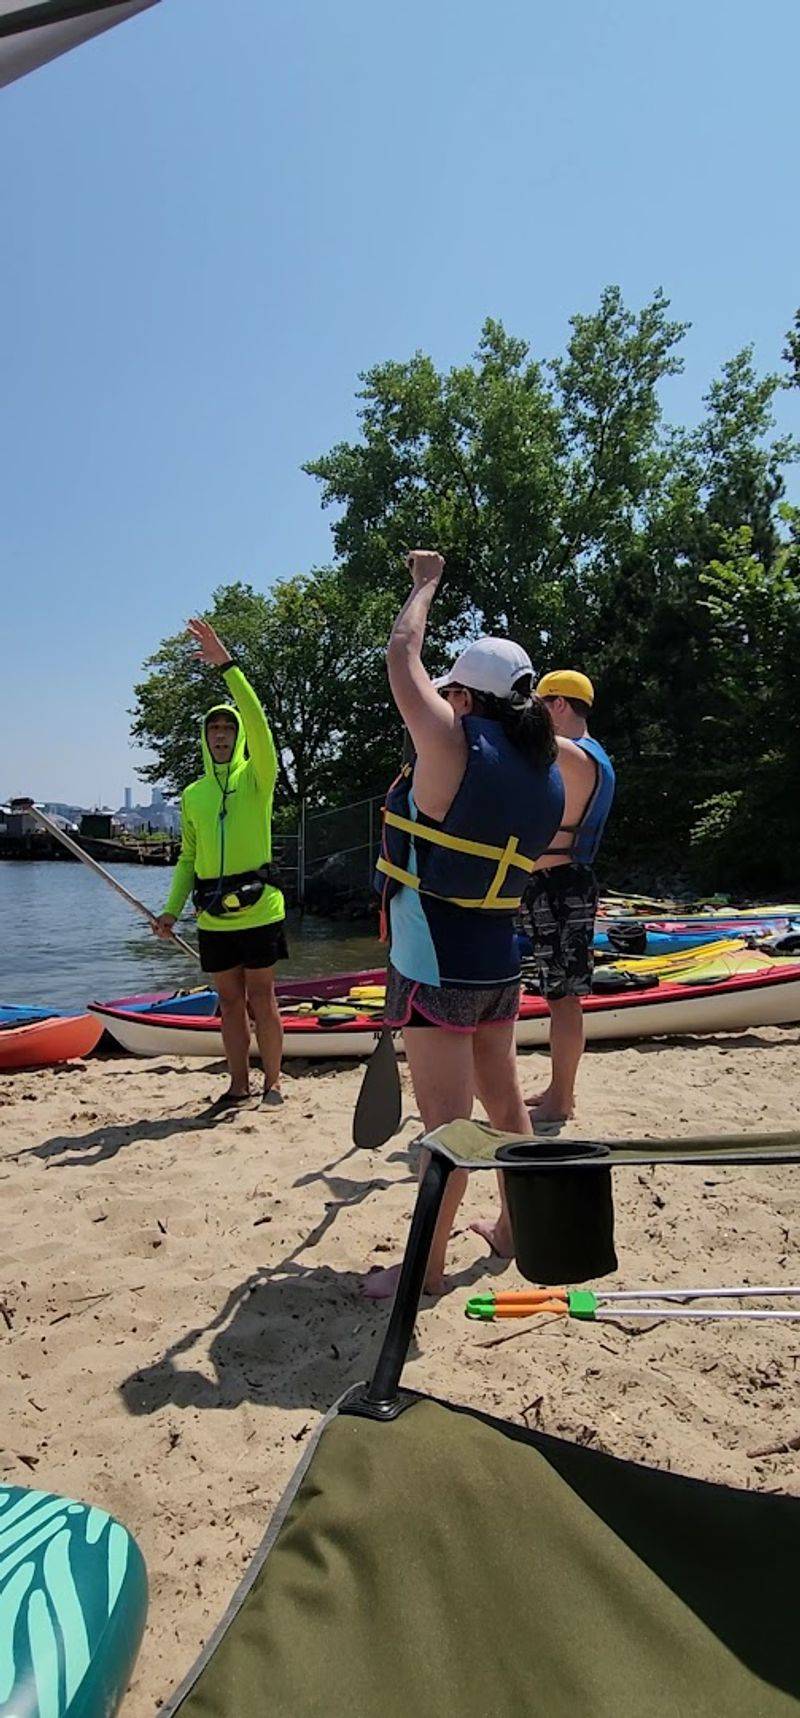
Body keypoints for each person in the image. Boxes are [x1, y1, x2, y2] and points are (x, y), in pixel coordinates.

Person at [363, 551, 565, 1298]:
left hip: (436, 961)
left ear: (465, 697)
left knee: (444, 1130)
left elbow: (399, 651)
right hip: (497, 962)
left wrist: (424, 583)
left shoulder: (449, 742)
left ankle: (427, 1270)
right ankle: (512, 1230)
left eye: (451, 690)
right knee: (505, 1106)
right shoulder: (550, 768)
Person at [153, 618, 287, 1110]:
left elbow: (259, 722)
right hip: (212, 912)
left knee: (262, 999)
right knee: (229, 1003)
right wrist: (170, 911)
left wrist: (227, 665)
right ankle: (238, 1084)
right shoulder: (193, 795)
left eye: (228, 727)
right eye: (213, 728)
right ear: (204, 739)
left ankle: (273, 1082)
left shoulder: (259, 778)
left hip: (260, 908)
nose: (222, 734)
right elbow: (188, 857)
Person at [521, 669, 616, 1123]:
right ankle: (559, 1089)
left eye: (541, 705)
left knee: (564, 998)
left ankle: (563, 1099)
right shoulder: (581, 756)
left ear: (559, 706)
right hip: (553, 887)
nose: (535, 714)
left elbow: (512, 729)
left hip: (562, 888)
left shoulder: (577, 756)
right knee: (557, 995)